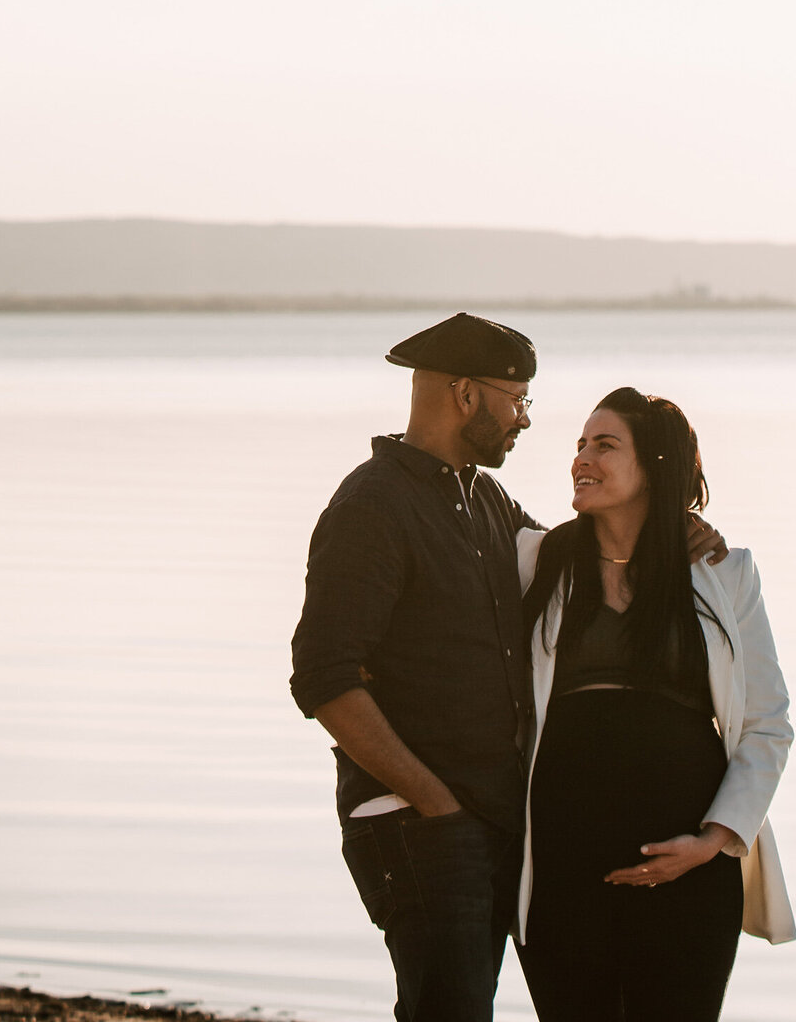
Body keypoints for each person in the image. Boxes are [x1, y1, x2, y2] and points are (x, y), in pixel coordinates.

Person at [289, 316, 727, 1022]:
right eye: (516, 399)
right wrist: (433, 801)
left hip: (485, 821)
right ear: (465, 394)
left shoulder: (481, 500)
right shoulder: (373, 504)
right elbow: (322, 678)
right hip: (417, 822)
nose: (525, 420)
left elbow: (574, 548)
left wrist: (667, 526)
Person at [515, 387, 794, 1022]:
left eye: (604, 445)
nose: (582, 459)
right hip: (559, 866)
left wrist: (713, 840)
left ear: (657, 465)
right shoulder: (535, 560)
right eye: (580, 445)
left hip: (690, 873)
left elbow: (767, 723)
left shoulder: (724, 572)